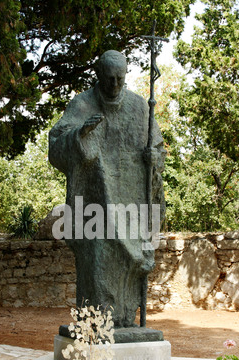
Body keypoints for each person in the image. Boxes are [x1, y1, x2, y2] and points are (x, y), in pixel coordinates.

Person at [49, 50, 166, 328]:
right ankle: (95, 325)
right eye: (109, 78)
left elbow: (158, 150)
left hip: (132, 203)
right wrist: (79, 136)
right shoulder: (82, 105)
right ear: (98, 75)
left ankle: (126, 321)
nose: (114, 84)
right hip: (95, 203)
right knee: (98, 268)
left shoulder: (140, 108)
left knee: (130, 266)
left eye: (120, 79)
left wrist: (154, 158)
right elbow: (56, 147)